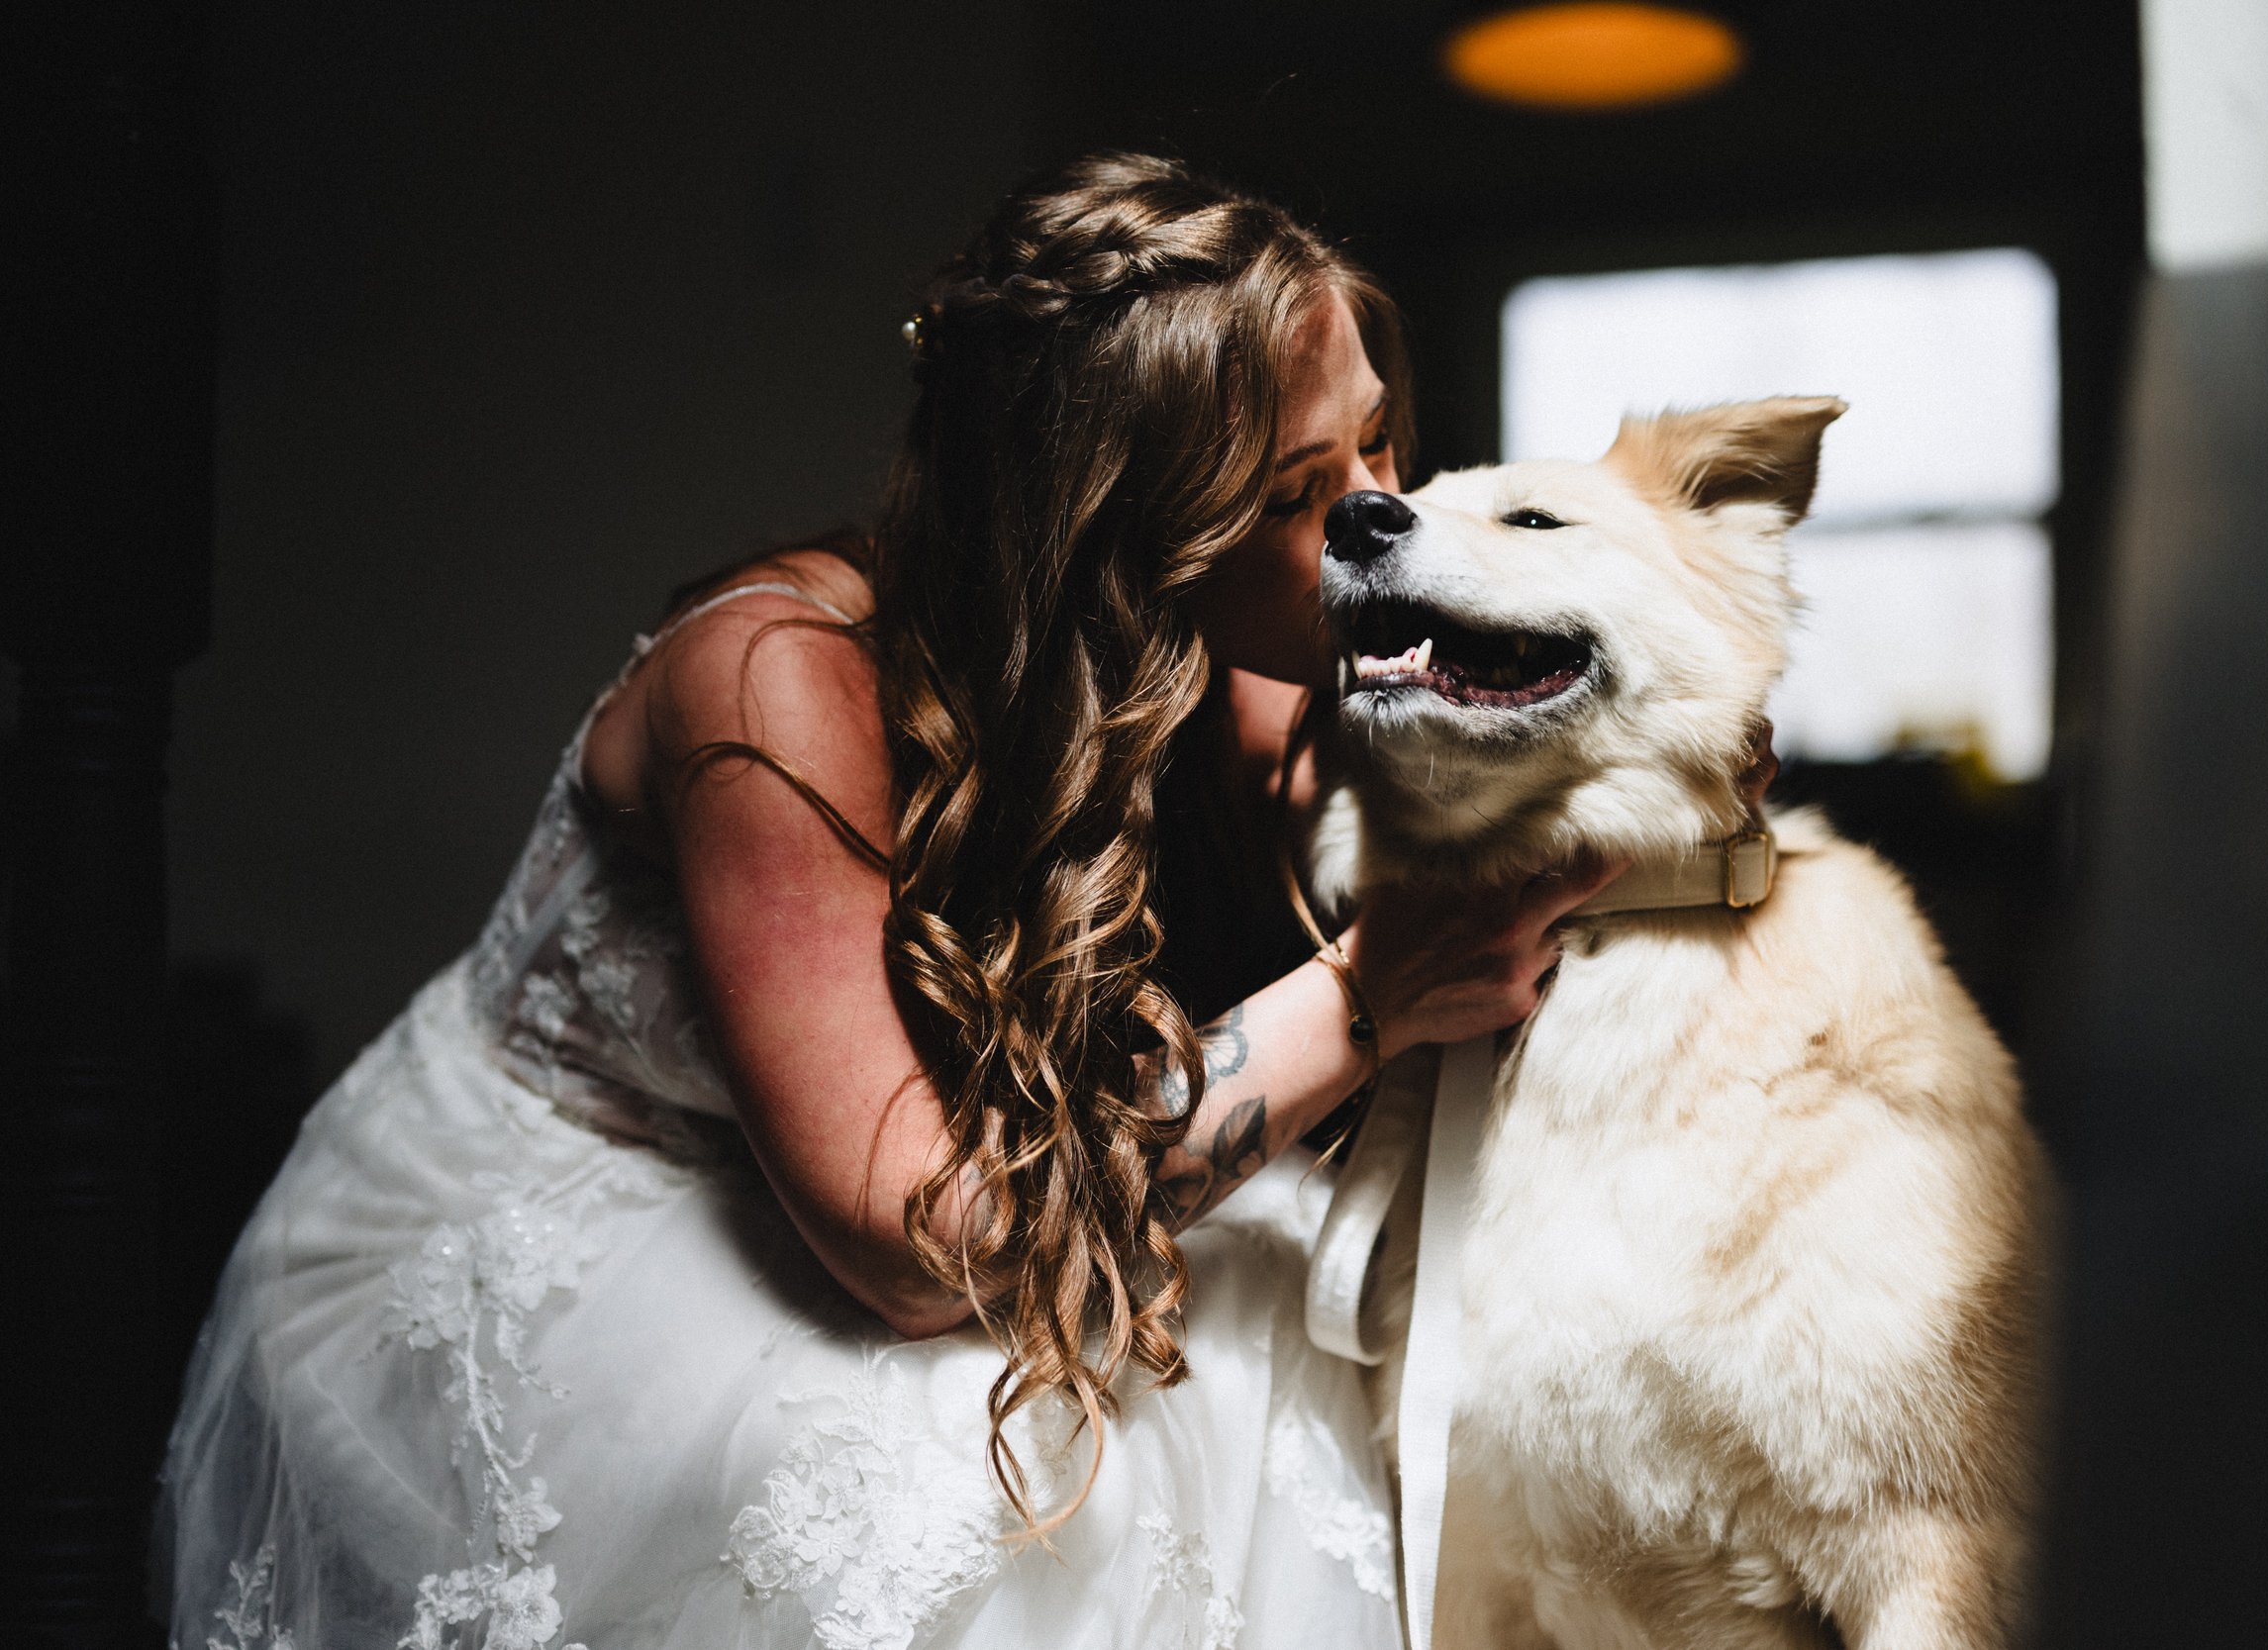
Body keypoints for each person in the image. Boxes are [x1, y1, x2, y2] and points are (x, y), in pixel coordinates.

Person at [154, 152, 1617, 1650]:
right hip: (593, 1225)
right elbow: (931, 1258)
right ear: (1124, 542)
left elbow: (1432, 798)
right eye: (1304, 494)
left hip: (913, 1195)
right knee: (992, 1466)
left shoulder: (1224, 645)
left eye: (1379, 445)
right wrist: (1372, 994)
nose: (1380, 518)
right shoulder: (770, 691)